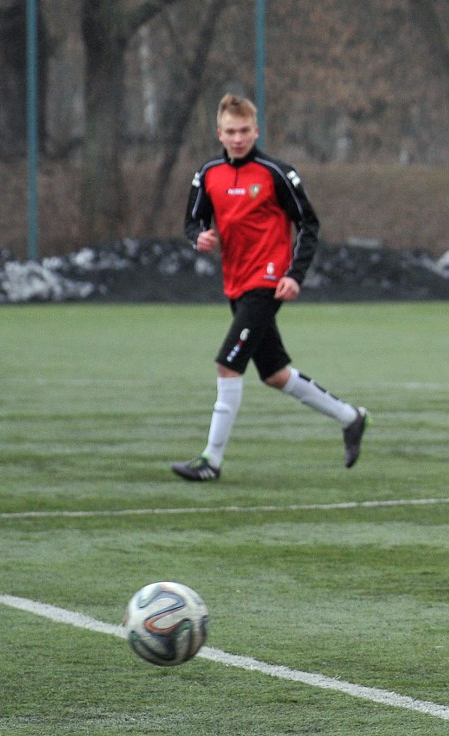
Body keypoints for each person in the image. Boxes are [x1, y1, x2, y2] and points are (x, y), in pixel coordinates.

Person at [173, 93, 368, 481]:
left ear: (256, 131)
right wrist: (199, 238)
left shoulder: (276, 173)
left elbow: (309, 225)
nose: (238, 138)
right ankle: (351, 417)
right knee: (275, 374)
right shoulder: (208, 173)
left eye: (244, 131)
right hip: (236, 283)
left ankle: (211, 461)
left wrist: (294, 274)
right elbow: (193, 222)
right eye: (231, 132)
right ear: (219, 133)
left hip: (267, 281)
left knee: (228, 364)